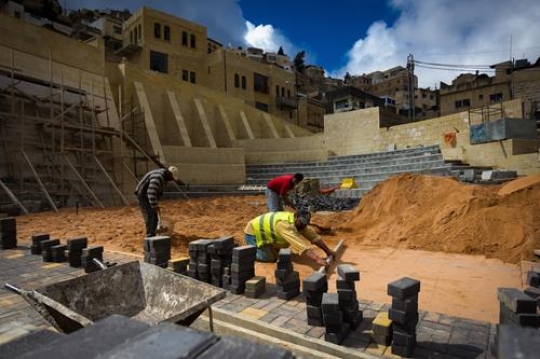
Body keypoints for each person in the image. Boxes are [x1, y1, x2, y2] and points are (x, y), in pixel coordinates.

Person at [243, 209, 335, 266]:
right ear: (295, 217)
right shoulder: (285, 225)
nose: (303, 226)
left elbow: (315, 238)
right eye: (301, 222)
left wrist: (328, 251)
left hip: (267, 234)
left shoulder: (301, 225)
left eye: (305, 224)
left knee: (277, 255)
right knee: (270, 259)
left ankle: (271, 248)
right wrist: (318, 259)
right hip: (254, 233)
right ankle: (245, 254)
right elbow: (302, 247)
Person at [134, 166, 180, 237]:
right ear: (169, 174)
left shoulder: (163, 175)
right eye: (171, 178)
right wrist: (155, 206)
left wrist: (155, 203)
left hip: (148, 195)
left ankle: (153, 232)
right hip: (143, 195)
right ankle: (150, 235)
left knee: (154, 214)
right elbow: (151, 192)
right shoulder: (158, 177)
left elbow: (157, 191)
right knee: (150, 214)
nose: (171, 180)